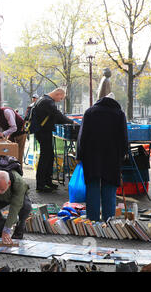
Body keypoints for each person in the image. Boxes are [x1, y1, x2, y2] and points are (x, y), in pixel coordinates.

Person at [76, 94, 128, 222]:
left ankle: (92, 220)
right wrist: (123, 154)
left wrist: (79, 155)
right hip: (112, 157)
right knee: (109, 187)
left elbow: (82, 136)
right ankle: (108, 221)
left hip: (91, 156)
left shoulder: (89, 112)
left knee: (92, 186)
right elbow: (124, 137)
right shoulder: (119, 114)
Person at [33, 88, 76, 193]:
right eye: (61, 97)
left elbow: (54, 116)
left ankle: (47, 181)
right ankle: (41, 184)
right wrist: (72, 123)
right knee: (45, 157)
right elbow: (58, 115)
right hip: (44, 132)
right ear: (57, 93)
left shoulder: (43, 99)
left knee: (49, 156)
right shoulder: (47, 102)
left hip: (42, 131)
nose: (60, 100)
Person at [0, 103, 27, 170]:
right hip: (11, 133)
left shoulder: (6, 112)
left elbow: (14, 128)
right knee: (8, 152)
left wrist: (3, 134)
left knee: (18, 154)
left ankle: (19, 172)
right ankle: (8, 170)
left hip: (20, 132)